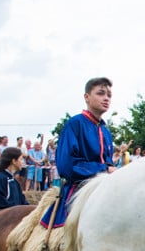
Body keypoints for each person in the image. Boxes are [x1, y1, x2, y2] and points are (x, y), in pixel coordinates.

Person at [40, 77, 116, 228]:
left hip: (104, 188)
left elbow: (108, 163)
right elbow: (66, 167)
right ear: (86, 97)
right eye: (101, 93)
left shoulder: (106, 132)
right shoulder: (74, 124)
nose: (106, 98)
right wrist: (104, 169)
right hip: (79, 190)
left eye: (109, 95)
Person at [0, 148, 28, 226]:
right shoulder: (0, 179)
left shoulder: (15, 182)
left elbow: (23, 202)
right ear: (14, 161)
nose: (22, 162)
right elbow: (0, 203)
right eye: (21, 159)